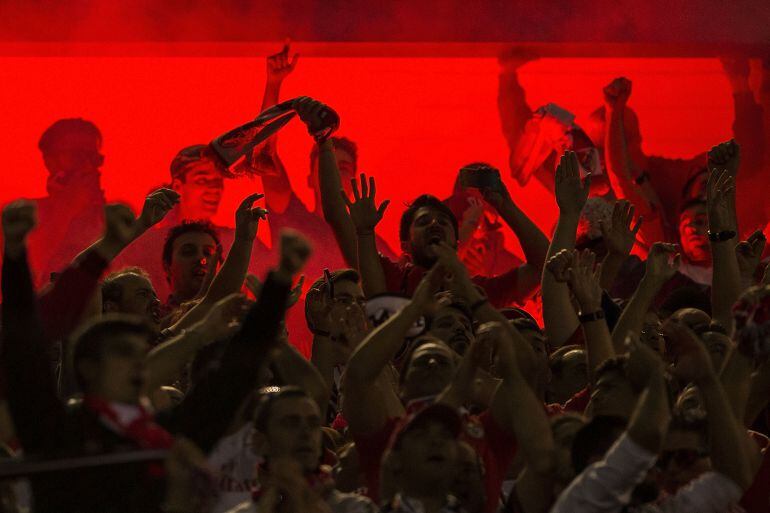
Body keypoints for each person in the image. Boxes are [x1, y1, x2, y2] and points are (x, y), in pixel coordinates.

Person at [1, 199, 306, 512]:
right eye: (123, 352)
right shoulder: (55, 429)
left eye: (139, 352)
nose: (138, 361)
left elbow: (229, 382)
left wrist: (276, 289)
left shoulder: (164, 435)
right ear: (89, 368)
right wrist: (14, 257)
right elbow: (25, 352)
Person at [226, 386, 377, 513]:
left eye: (313, 423)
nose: (306, 433)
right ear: (260, 442)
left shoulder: (356, 508)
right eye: (291, 423)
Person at [23, 118, 107, 287]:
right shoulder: (24, 216)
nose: (88, 166)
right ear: (50, 161)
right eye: (77, 155)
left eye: (93, 157)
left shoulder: (110, 220)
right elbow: (31, 272)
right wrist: (67, 209)